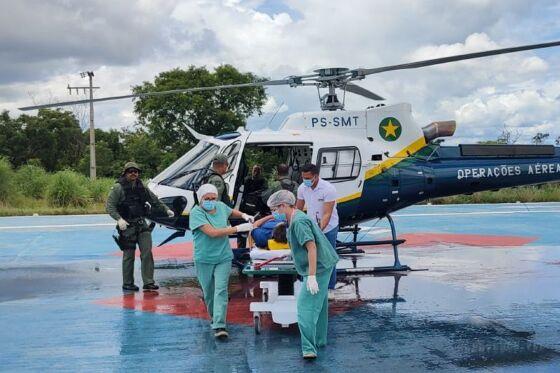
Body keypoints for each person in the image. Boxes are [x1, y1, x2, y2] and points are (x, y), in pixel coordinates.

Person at [267, 189, 339, 359]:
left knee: (305, 308)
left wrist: (312, 276)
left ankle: (309, 348)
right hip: (323, 263)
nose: (274, 213)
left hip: (318, 267)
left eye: (275, 209)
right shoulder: (296, 217)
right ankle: (319, 341)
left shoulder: (298, 222)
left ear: (283, 206)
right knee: (319, 306)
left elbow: (311, 247)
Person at [189, 183, 254, 339]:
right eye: (207, 198)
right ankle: (214, 317)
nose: (211, 201)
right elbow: (212, 233)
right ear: (200, 199)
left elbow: (231, 212)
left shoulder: (220, 206)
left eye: (213, 198)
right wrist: (237, 229)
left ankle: (219, 325)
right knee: (209, 292)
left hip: (223, 257)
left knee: (221, 290)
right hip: (204, 258)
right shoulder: (196, 213)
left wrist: (244, 215)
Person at [106, 162, 175, 291]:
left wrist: (166, 210)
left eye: (136, 171)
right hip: (126, 226)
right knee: (128, 255)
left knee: (147, 252)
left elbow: (154, 200)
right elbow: (110, 206)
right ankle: (128, 283)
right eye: (130, 171)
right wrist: (119, 219)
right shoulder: (118, 188)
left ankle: (148, 282)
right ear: (125, 173)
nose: (133, 173)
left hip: (141, 224)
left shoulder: (141, 187)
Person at [296, 163, 339, 295]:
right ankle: (309, 283)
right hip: (311, 225)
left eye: (308, 178)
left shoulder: (328, 189)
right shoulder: (302, 188)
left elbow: (327, 214)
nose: (305, 181)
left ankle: (330, 288)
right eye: (303, 178)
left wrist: (318, 231)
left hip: (328, 227)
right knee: (310, 255)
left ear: (316, 176)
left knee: (328, 257)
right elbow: (298, 209)